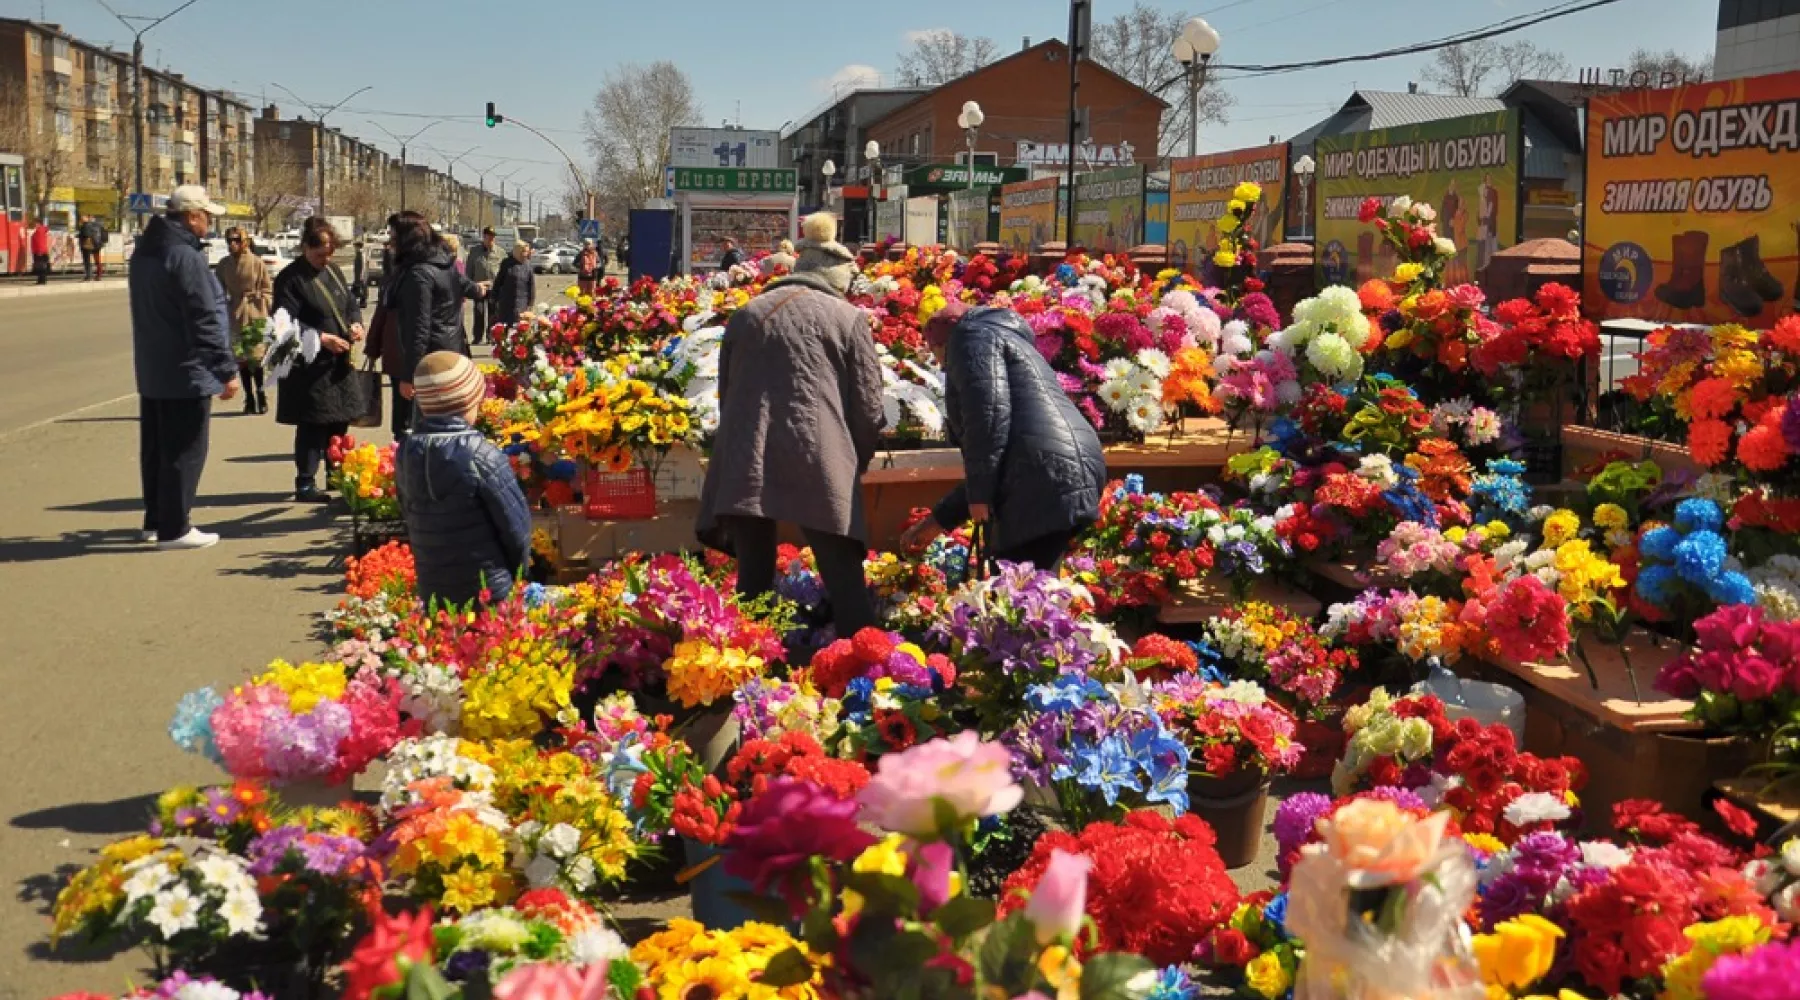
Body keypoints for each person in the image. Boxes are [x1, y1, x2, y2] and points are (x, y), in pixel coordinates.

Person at [696, 212, 885, 634]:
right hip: (818, 456)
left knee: (754, 582)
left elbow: (727, 395)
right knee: (845, 582)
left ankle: (748, 674)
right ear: (837, 281)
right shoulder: (847, 318)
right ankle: (868, 675)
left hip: (747, 453)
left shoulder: (745, 315)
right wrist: (854, 460)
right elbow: (869, 409)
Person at [899, 301, 1105, 572]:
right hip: (1070, 467)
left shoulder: (968, 338)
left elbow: (987, 416)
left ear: (940, 345)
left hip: (1041, 475)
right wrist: (940, 520)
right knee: (1035, 585)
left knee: (1018, 592)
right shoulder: (1003, 337)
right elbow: (1003, 457)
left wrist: (979, 496)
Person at [129, 185, 238, 550]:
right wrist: (225, 370)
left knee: (157, 449)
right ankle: (175, 529)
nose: (210, 224)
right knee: (185, 450)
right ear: (192, 217)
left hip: (153, 368)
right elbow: (203, 318)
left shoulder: (146, 252)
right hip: (186, 369)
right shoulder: (185, 257)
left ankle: (156, 519)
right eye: (207, 216)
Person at [397, 351, 533, 606]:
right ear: (469, 400)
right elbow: (516, 528)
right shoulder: (481, 455)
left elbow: (406, 510)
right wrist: (520, 573)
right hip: (487, 588)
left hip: (432, 584)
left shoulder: (406, 451)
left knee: (444, 642)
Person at [272, 217, 367, 503]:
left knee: (339, 421)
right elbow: (282, 324)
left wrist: (356, 324)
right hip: (309, 366)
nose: (325, 259)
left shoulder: (334, 271)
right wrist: (322, 338)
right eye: (319, 254)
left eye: (329, 253)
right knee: (313, 424)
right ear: (305, 248)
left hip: (338, 364)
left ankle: (336, 473)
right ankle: (305, 482)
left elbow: (350, 305)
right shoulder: (290, 279)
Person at [384, 210, 484, 412]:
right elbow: (468, 287)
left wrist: (409, 374)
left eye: (394, 237)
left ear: (406, 240)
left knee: (426, 423)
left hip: (430, 360)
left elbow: (419, 327)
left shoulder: (418, 274)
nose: (390, 242)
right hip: (450, 351)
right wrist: (480, 289)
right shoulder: (443, 263)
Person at [215, 226, 272, 414]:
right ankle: (249, 398)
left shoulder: (257, 263)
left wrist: (262, 303)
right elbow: (217, 291)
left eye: (236, 240)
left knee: (256, 359)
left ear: (245, 241)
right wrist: (223, 309)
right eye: (229, 241)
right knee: (242, 361)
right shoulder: (224, 265)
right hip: (235, 316)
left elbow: (268, 289)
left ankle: (261, 395)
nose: (233, 244)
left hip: (256, 314)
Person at [490, 241, 535, 332]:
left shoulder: (528, 265)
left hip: (522, 304)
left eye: (527, 251)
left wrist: (530, 304)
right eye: (524, 251)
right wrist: (494, 297)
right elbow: (498, 282)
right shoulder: (506, 263)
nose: (526, 254)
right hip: (506, 304)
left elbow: (532, 286)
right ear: (518, 251)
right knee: (505, 330)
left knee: (519, 331)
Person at [465, 227, 499, 345]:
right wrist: (469, 285)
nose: (491, 239)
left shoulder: (500, 252)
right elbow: (469, 269)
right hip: (478, 286)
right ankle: (478, 337)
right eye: (489, 236)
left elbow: (503, 271)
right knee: (479, 311)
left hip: (493, 287)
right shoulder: (475, 251)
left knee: (493, 312)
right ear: (483, 237)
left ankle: (491, 336)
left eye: (493, 237)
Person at [78, 214, 109, 281]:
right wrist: (102, 242)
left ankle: (89, 276)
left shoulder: (86, 225)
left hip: (89, 245)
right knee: (97, 261)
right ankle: (99, 275)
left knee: (87, 260)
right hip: (97, 244)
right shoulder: (99, 225)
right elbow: (105, 234)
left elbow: (86, 234)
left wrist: (80, 235)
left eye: (83, 217)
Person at [28, 217, 52, 284]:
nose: (34, 225)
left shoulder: (39, 231)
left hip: (39, 251)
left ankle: (42, 281)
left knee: (40, 267)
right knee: (41, 267)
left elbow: (39, 242)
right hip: (42, 251)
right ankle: (41, 280)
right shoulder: (41, 230)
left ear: (38, 223)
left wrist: (39, 251)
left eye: (35, 223)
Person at [351, 239, 368, 306]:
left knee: (360, 288)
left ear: (358, 246)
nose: (354, 248)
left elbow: (363, 264)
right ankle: (361, 302)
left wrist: (361, 275)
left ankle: (363, 302)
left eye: (355, 246)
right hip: (357, 275)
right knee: (357, 289)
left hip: (360, 275)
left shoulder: (361, 254)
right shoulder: (358, 253)